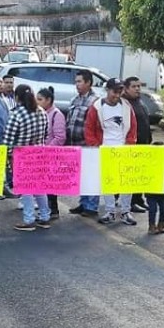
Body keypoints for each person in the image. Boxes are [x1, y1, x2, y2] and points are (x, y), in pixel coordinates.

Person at [83, 77, 138, 226]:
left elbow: (133, 127)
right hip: (105, 149)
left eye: (120, 91)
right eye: (114, 91)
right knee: (108, 182)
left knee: (127, 183)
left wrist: (130, 144)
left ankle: (126, 211)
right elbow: (89, 129)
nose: (117, 94)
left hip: (124, 149)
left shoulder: (126, 106)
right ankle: (110, 211)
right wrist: (95, 146)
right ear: (108, 90)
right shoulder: (97, 107)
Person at [3, 84, 51, 231]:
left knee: (26, 189)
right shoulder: (42, 111)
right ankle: (44, 217)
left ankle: (29, 219)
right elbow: (45, 133)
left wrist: (8, 155)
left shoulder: (17, 114)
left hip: (22, 155)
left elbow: (8, 140)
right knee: (39, 187)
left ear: (17, 97)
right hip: (39, 153)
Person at [67, 69, 100, 217]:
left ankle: (91, 206)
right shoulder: (75, 99)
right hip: (75, 144)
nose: (77, 85)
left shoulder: (95, 101)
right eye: (76, 82)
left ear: (88, 83)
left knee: (91, 175)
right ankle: (83, 202)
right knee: (81, 176)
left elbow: (97, 125)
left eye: (80, 81)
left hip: (89, 144)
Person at [123, 76, 152, 213]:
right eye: (134, 86)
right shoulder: (124, 104)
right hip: (131, 145)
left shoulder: (139, 102)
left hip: (144, 144)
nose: (137, 89)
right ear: (126, 89)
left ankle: (139, 199)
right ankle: (131, 202)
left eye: (139, 86)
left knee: (141, 175)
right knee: (131, 176)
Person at [36, 86, 65, 219]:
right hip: (41, 154)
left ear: (49, 100)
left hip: (51, 155)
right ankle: (45, 209)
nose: (37, 102)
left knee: (51, 185)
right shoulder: (41, 113)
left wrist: (46, 150)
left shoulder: (56, 115)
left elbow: (60, 137)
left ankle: (53, 210)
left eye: (40, 99)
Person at [146, 142, 164, 234]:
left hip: (162, 192)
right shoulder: (148, 162)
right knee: (153, 209)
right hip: (151, 193)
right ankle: (151, 225)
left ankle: (161, 224)